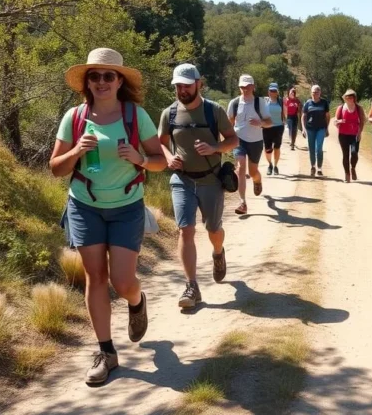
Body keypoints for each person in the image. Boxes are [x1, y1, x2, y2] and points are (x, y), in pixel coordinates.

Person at [50, 48, 168, 385]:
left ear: (119, 81)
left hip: (127, 206)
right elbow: (56, 168)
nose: (101, 81)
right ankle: (106, 353)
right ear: (87, 82)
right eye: (95, 76)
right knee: (95, 277)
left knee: (123, 280)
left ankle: (137, 300)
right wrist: (76, 151)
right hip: (84, 205)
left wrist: (139, 158)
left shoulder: (135, 115)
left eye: (108, 76)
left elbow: (160, 160)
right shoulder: (74, 117)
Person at [157, 64, 238, 309]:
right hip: (181, 180)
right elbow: (160, 142)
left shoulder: (215, 111)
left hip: (211, 179)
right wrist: (168, 158)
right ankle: (192, 286)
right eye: (178, 86)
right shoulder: (169, 114)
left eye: (186, 85)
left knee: (213, 229)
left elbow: (233, 139)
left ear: (198, 84)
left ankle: (218, 252)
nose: (182, 90)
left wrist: (215, 148)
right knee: (186, 230)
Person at [228, 74, 272, 215]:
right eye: (242, 87)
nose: (244, 89)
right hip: (239, 140)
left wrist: (261, 123)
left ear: (253, 87)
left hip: (256, 141)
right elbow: (229, 124)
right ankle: (242, 203)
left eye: (247, 87)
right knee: (241, 167)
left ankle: (257, 180)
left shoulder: (260, 103)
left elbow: (269, 122)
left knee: (253, 172)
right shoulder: (234, 103)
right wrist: (226, 142)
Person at [334, 89, 365, 182]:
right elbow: (335, 121)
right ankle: (347, 174)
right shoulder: (341, 108)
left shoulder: (359, 108)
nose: (349, 99)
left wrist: (360, 133)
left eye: (351, 97)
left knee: (354, 152)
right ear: (345, 98)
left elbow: (362, 121)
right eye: (347, 97)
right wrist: (338, 121)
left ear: (354, 98)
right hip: (343, 134)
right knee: (345, 155)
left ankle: (353, 168)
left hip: (354, 134)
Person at [301, 85, 331, 176]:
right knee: (311, 148)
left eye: (317, 92)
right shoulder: (308, 103)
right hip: (310, 129)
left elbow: (328, 116)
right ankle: (313, 166)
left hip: (321, 128)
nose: (315, 94)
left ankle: (319, 168)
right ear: (311, 93)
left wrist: (327, 128)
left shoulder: (324, 103)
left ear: (320, 93)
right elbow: (303, 116)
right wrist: (303, 128)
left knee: (319, 148)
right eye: (313, 92)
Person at [263, 82, 285, 176]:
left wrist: (285, 122)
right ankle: (270, 164)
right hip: (267, 128)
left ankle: (275, 166)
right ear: (268, 91)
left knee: (277, 147)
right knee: (268, 149)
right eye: (271, 90)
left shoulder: (281, 101)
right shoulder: (264, 101)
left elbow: (284, 113)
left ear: (277, 92)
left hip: (278, 127)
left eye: (274, 90)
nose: (272, 92)